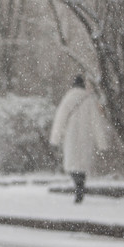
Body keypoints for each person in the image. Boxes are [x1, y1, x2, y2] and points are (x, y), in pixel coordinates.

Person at [49, 75, 109, 203]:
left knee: (72, 164)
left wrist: (55, 139)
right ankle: (80, 187)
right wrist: (102, 143)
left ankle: (78, 186)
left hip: (70, 137)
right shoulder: (90, 100)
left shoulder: (68, 99)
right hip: (86, 137)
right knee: (82, 165)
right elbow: (96, 123)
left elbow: (60, 120)